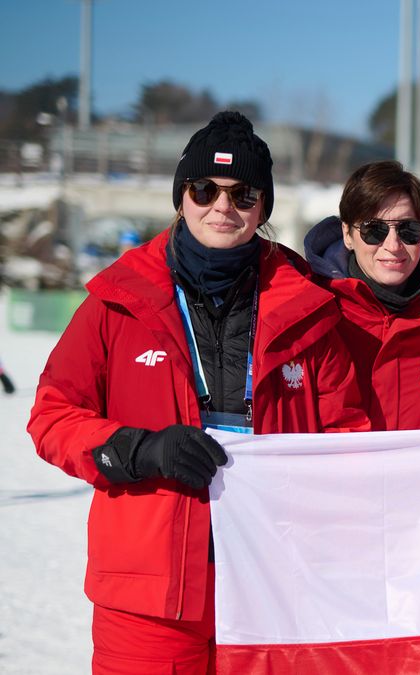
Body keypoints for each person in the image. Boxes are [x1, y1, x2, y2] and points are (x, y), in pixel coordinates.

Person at [27, 111, 369, 674]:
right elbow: (53, 415)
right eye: (205, 188)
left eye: (242, 194)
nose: (222, 207)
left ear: (263, 207)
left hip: (271, 582)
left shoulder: (308, 305)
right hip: (149, 595)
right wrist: (141, 450)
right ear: (181, 196)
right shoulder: (118, 299)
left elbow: (345, 437)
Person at [304, 160, 420, 430]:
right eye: (374, 230)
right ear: (347, 233)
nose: (393, 245)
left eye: (408, 230)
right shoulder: (313, 313)